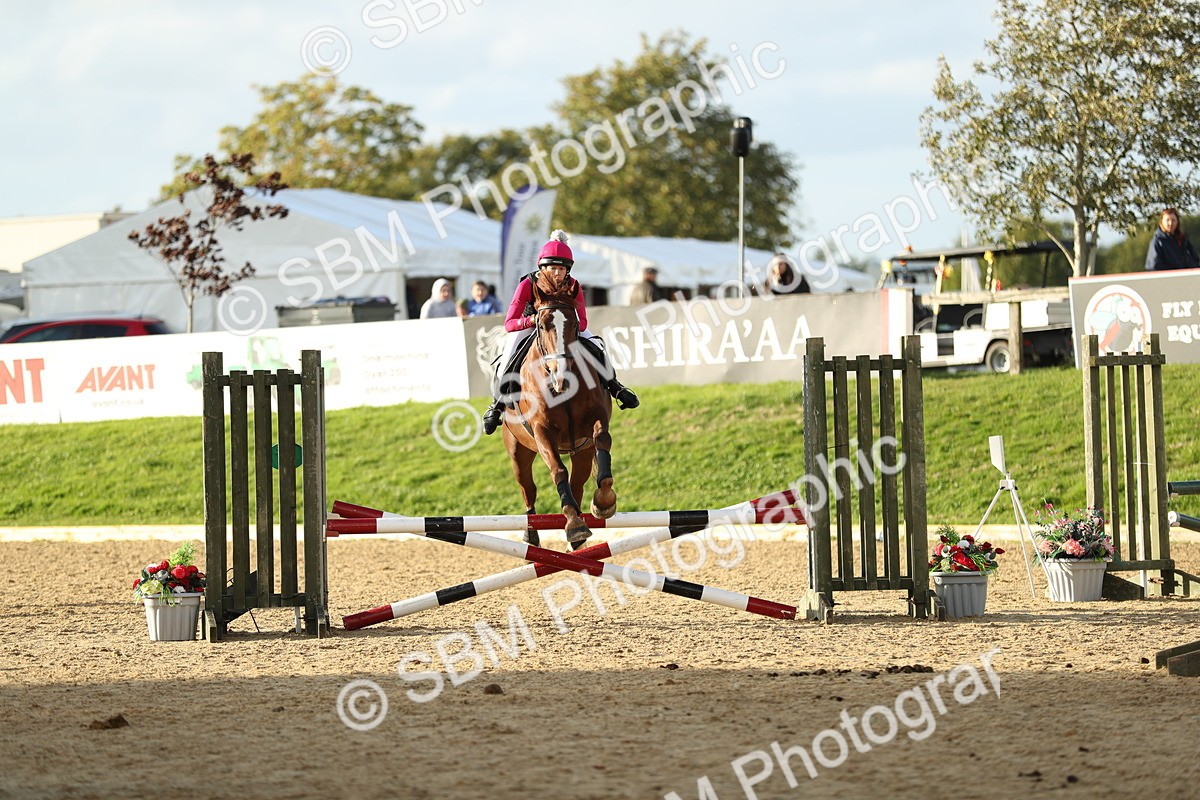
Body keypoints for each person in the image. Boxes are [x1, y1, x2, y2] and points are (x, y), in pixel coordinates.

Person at [482, 230, 639, 435]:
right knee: (509, 352)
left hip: (564, 328)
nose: (558, 274)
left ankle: (616, 387)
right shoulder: (527, 284)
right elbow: (509, 323)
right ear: (543, 267)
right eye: (553, 268)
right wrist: (533, 320)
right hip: (531, 326)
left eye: (562, 269)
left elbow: (582, 322)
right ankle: (497, 406)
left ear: (568, 269)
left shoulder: (573, 285)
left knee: (598, 345)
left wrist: (567, 325)